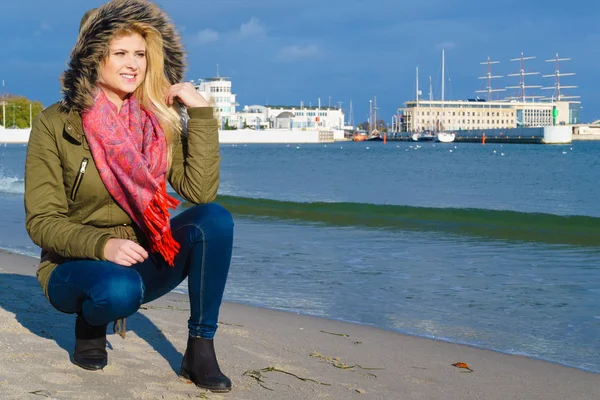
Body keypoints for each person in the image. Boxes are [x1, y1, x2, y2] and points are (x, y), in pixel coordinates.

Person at [24, 0, 233, 393]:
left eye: (140, 53)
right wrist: (103, 245)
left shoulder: (158, 120)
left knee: (214, 219)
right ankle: (90, 324)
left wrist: (201, 116)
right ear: (93, 57)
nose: (133, 63)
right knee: (117, 290)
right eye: (120, 53)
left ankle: (200, 348)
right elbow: (42, 221)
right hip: (74, 266)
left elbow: (200, 192)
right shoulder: (56, 123)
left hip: (140, 257)